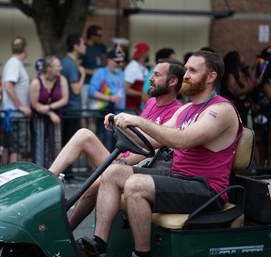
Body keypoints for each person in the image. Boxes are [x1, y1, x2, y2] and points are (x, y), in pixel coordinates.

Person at [91, 50, 242, 257]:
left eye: (192, 70)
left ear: (211, 77)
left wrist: (138, 120)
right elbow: (152, 139)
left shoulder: (221, 109)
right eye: (186, 68)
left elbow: (183, 140)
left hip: (206, 189)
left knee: (136, 184)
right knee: (113, 172)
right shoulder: (186, 109)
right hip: (178, 179)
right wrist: (119, 124)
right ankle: (97, 248)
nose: (185, 75)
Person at [49, 58, 185, 230]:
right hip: (123, 160)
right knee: (84, 134)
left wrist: (122, 162)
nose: (150, 78)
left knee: (95, 183)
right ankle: (48, 180)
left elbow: (149, 149)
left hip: (139, 168)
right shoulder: (151, 102)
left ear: (172, 82)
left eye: (157, 75)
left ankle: (66, 232)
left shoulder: (175, 111)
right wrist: (116, 123)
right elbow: (138, 137)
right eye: (152, 73)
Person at [29, 56, 69, 168]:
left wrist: (49, 107)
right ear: (49, 68)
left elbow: (64, 99)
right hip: (39, 118)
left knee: (55, 146)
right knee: (40, 147)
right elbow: (35, 104)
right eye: (58, 66)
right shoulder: (36, 82)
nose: (60, 68)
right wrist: (50, 113)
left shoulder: (62, 79)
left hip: (56, 118)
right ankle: (38, 172)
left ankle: (54, 172)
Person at [1, 36, 31, 165]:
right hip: (16, 114)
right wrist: (21, 106)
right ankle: (12, 180)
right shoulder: (15, 64)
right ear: (25, 48)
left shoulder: (12, 63)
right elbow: (8, 86)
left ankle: (4, 177)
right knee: (17, 148)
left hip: (11, 114)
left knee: (8, 147)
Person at [88, 50, 125, 152]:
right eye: (117, 62)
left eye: (122, 61)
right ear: (109, 60)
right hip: (105, 115)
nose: (120, 64)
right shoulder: (100, 73)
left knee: (118, 147)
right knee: (105, 145)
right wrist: (109, 98)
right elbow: (91, 91)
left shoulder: (122, 73)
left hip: (120, 115)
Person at [61, 34, 86, 146]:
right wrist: (83, 75)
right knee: (70, 145)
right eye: (82, 44)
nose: (85, 46)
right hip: (72, 110)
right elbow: (76, 89)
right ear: (76, 47)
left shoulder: (67, 62)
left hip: (69, 110)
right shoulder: (70, 64)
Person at [221, 51, 256, 125]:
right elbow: (236, 92)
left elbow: (253, 83)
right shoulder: (231, 75)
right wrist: (251, 87)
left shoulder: (244, 72)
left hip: (246, 108)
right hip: (237, 108)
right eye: (241, 56)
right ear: (236, 60)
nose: (243, 58)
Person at [80, 25, 107, 118]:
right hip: (87, 83)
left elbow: (108, 57)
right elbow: (78, 66)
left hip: (100, 85)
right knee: (85, 111)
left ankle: (94, 131)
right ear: (92, 36)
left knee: (97, 110)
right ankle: (84, 130)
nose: (101, 38)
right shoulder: (84, 48)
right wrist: (91, 71)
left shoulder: (101, 47)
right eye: (99, 36)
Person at [124, 43, 150, 111]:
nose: (149, 54)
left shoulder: (143, 67)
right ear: (144, 53)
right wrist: (141, 94)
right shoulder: (132, 67)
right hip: (132, 109)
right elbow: (126, 89)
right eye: (148, 52)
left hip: (140, 108)